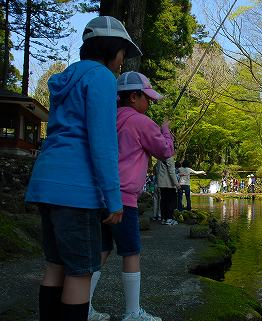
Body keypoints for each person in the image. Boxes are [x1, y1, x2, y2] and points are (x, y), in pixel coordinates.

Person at [24, 16, 140, 321]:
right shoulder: (102, 78)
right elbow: (102, 144)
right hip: (76, 191)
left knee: (55, 266)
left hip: (46, 183)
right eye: (123, 54)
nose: (122, 61)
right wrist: (113, 200)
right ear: (113, 50)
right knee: (81, 271)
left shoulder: (66, 78)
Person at [89, 71, 174, 321]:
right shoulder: (141, 122)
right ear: (134, 96)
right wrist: (166, 130)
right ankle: (132, 312)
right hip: (124, 199)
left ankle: (83, 306)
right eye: (147, 98)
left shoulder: (107, 118)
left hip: (99, 197)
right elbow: (165, 151)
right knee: (131, 253)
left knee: (102, 250)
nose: (150, 103)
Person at [155, 156, 180, 225]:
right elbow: (172, 172)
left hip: (161, 183)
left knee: (163, 201)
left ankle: (163, 218)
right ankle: (169, 218)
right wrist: (177, 184)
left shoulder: (159, 158)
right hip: (169, 184)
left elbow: (157, 170)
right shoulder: (170, 158)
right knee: (171, 201)